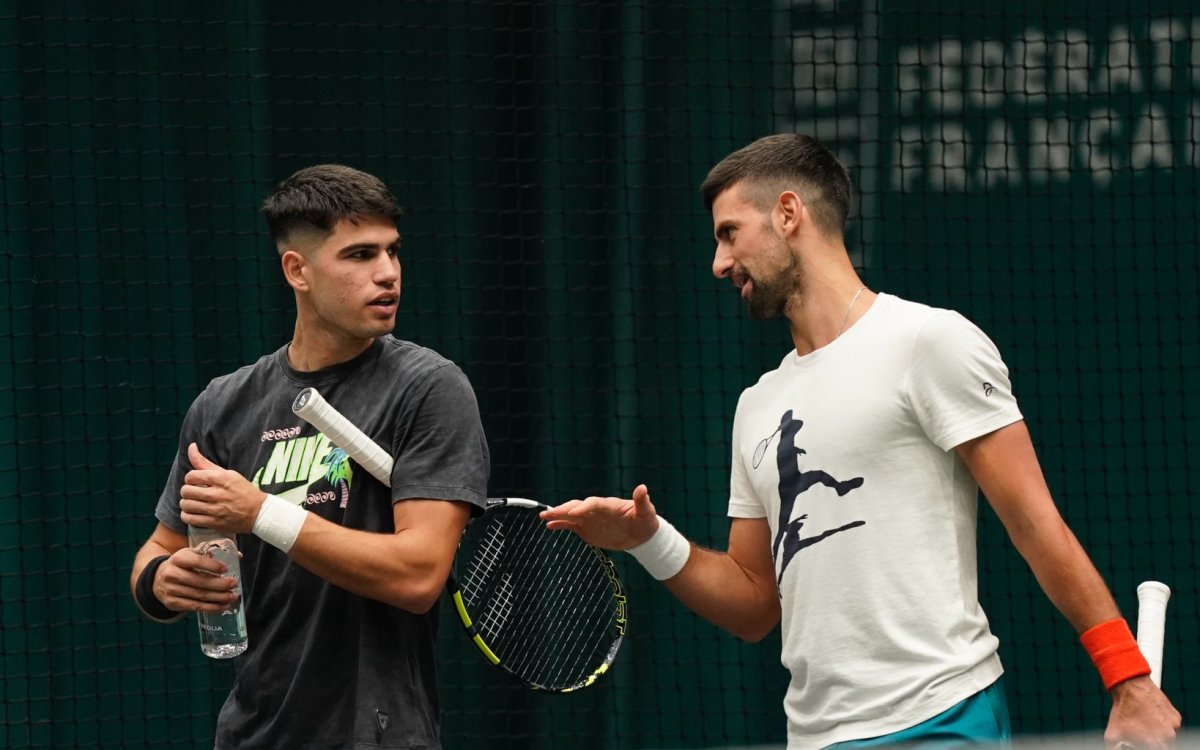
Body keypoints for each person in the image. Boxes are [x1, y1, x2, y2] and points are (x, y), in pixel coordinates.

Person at [541, 134, 1181, 749]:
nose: (719, 263)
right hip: (817, 737)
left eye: (729, 233)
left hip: (944, 715)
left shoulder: (930, 342)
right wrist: (648, 541)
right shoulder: (754, 406)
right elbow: (755, 606)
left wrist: (1126, 678)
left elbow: (1036, 524)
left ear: (788, 213)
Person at [129, 164, 490, 749]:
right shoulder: (222, 404)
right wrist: (161, 582)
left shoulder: (428, 388)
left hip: (378, 736)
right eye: (359, 255)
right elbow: (161, 547)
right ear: (297, 270)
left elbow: (420, 572)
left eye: (392, 252)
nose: (388, 274)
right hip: (251, 735)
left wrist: (261, 514)